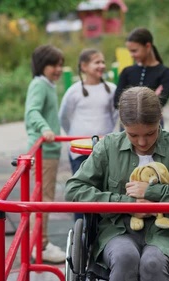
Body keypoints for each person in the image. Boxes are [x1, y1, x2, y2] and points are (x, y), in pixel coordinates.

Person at [65, 86, 169, 280]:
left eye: (150, 133)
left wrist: (155, 192)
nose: (142, 142)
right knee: (124, 257)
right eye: (133, 135)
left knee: (152, 263)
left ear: (159, 118)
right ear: (122, 123)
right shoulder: (108, 147)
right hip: (118, 231)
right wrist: (127, 204)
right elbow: (73, 189)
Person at [59, 48, 118, 221]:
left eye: (103, 62)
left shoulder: (111, 89)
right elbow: (64, 116)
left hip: (104, 148)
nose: (101, 66)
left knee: (104, 188)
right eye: (96, 62)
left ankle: (102, 226)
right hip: (80, 150)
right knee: (81, 187)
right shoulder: (74, 91)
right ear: (84, 66)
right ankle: (81, 226)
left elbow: (115, 114)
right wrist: (75, 135)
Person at [24, 44, 66, 263]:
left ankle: (39, 242)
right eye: (53, 65)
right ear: (42, 65)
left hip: (50, 149)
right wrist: (45, 129)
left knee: (43, 195)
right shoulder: (40, 84)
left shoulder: (48, 84)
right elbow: (32, 111)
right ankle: (39, 245)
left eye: (60, 64)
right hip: (44, 149)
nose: (58, 69)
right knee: (43, 197)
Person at [114, 27, 169, 128]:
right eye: (130, 51)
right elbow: (116, 102)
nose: (131, 55)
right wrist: (152, 98)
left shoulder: (165, 73)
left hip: (153, 127)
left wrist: (129, 101)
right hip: (127, 128)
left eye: (134, 51)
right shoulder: (127, 72)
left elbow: (161, 103)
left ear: (148, 46)